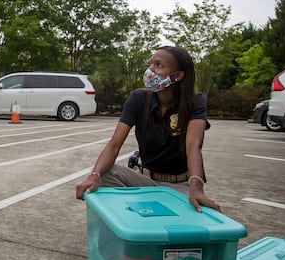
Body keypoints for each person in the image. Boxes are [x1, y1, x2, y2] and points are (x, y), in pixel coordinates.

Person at [75, 46, 220, 213]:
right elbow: (114, 144)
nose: (150, 70)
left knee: (196, 219)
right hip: (144, 180)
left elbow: (193, 146)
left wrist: (196, 186)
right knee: (104, 173)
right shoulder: (138, 99)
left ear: (178, 75)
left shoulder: (195, 101)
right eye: (151, 64)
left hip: (179, 186)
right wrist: (94, 176)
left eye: (159, 65)